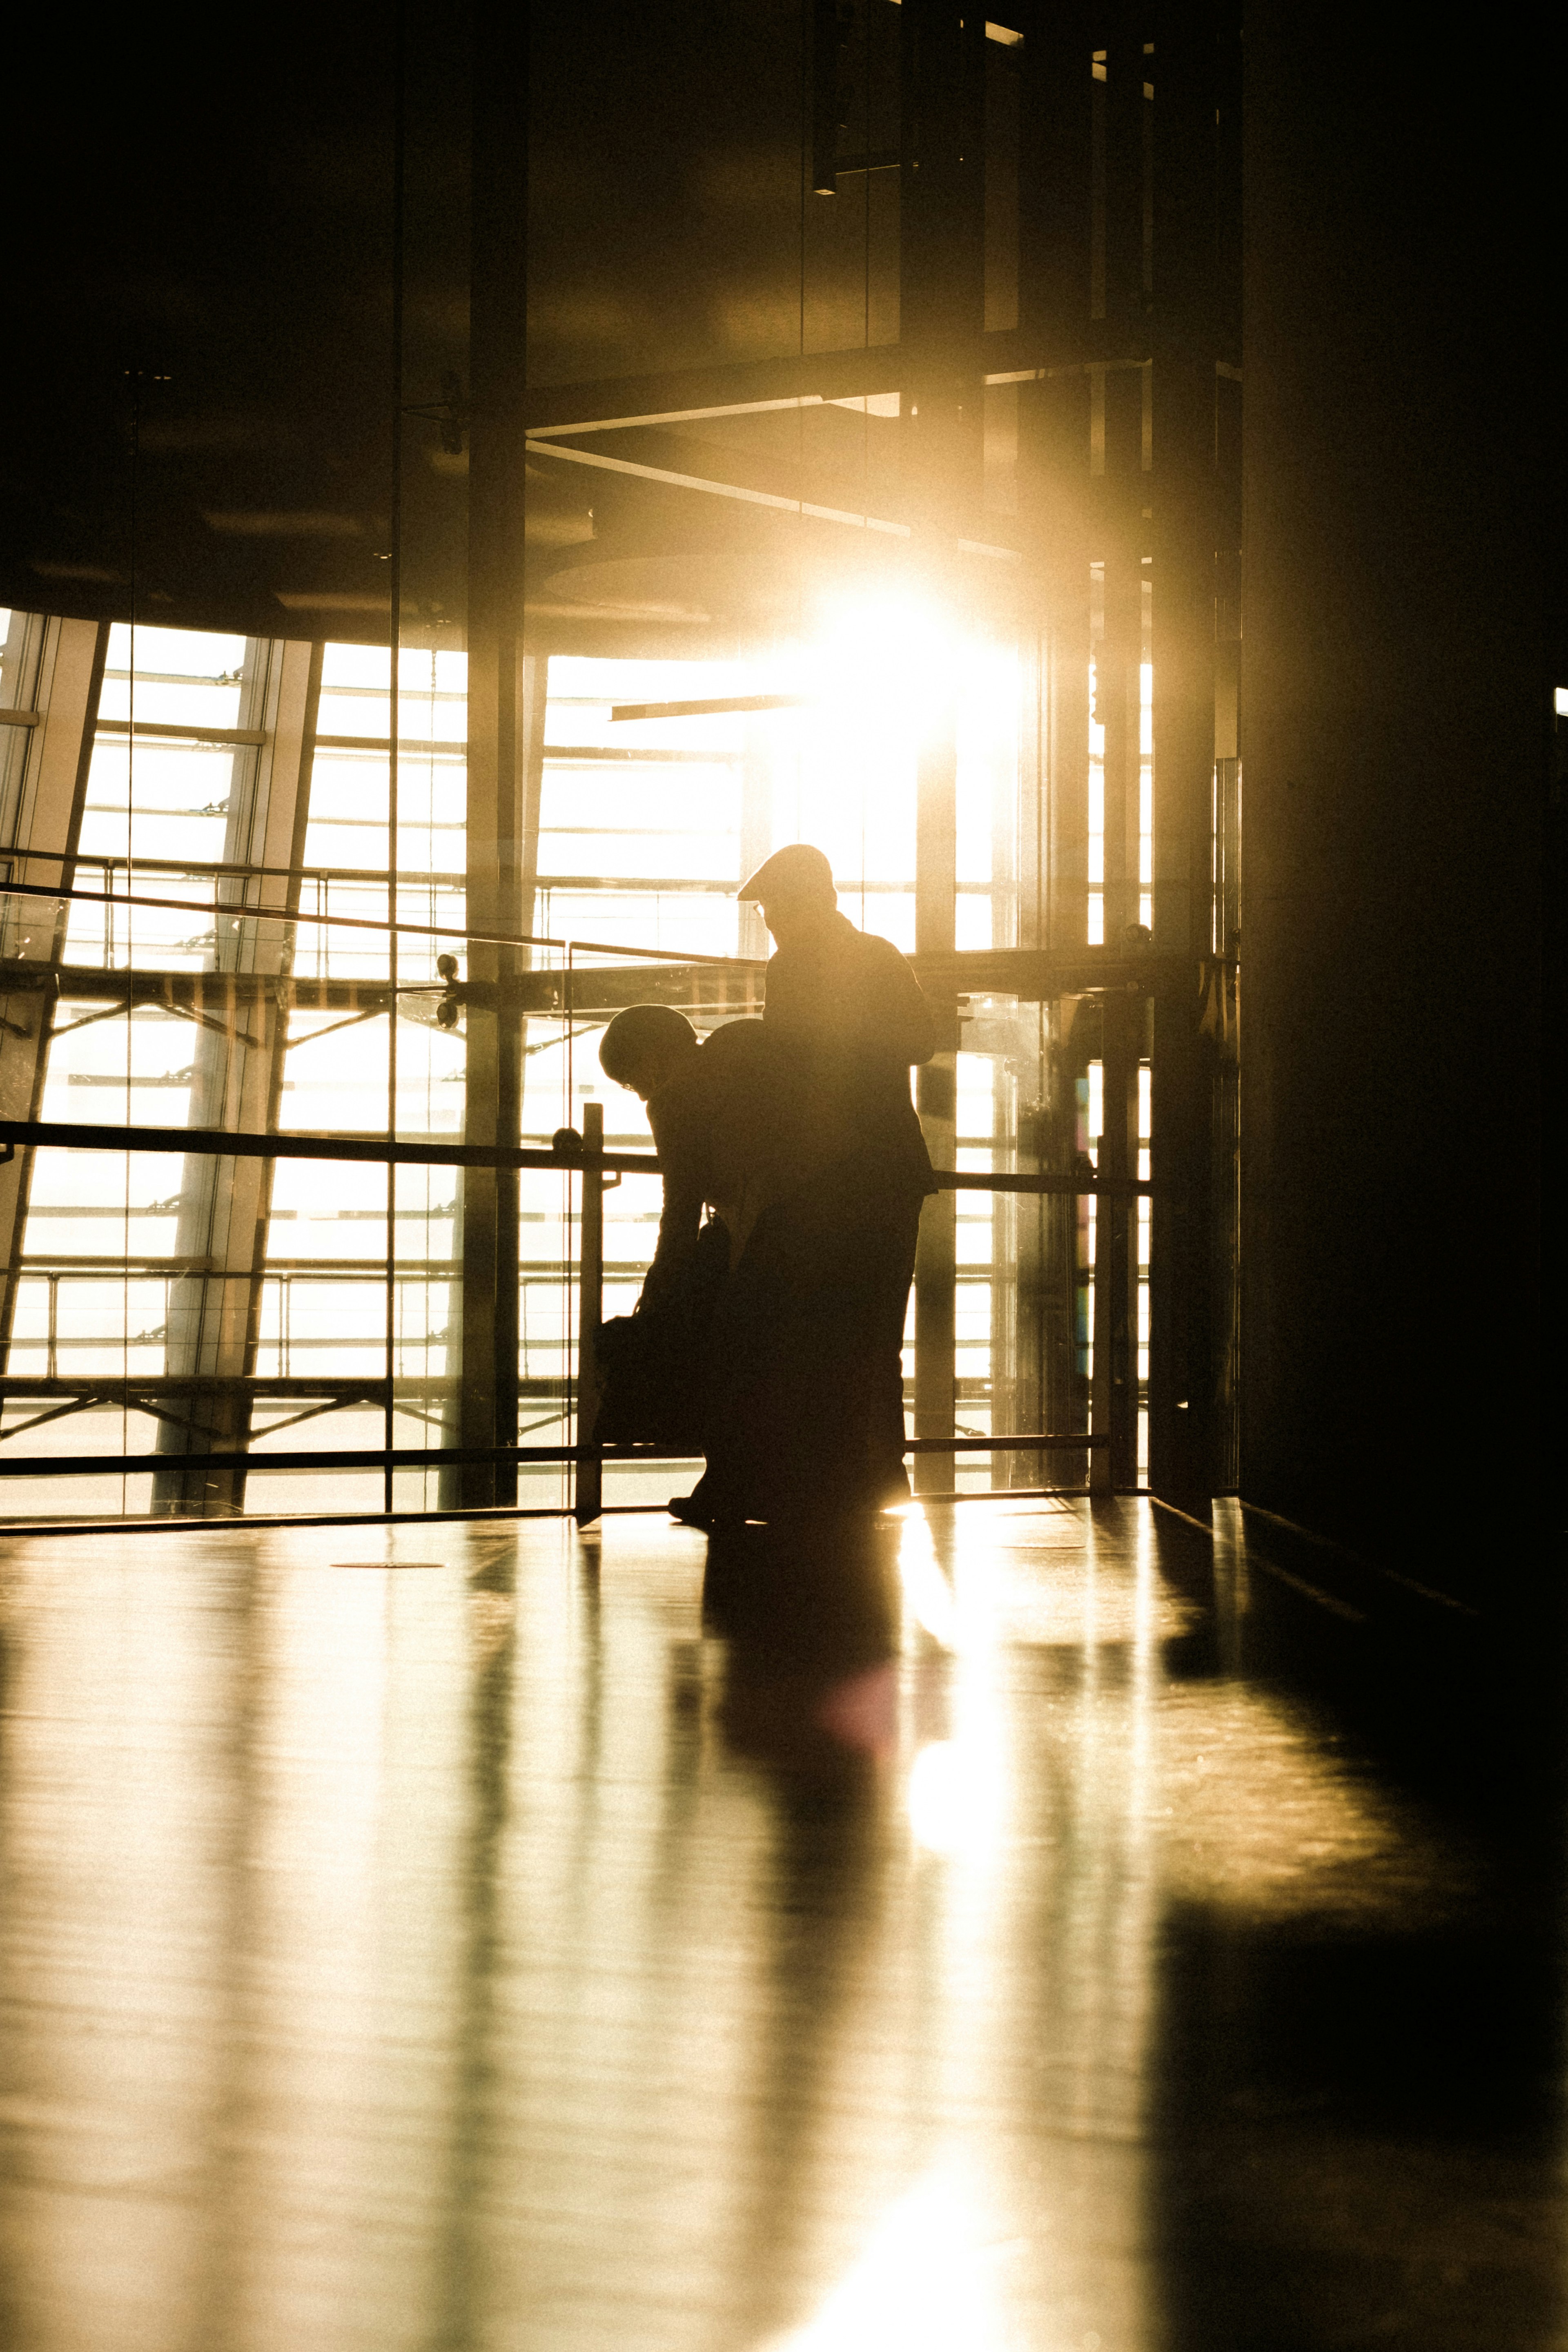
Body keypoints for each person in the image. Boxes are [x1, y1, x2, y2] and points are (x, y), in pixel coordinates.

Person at [735, 842, 939, 1515]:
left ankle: (822, 1483)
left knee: (819, 1326)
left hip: (826, 1172)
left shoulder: (792, 966)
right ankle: (878, 1481)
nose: (769, 921)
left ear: (804, 901)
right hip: (889, 1170)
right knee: (876, 1332)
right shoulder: (878, 954)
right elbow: (921, 1041)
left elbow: (788, 1072)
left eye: (772, 907)